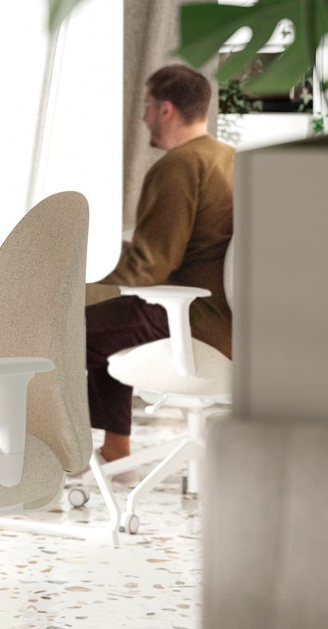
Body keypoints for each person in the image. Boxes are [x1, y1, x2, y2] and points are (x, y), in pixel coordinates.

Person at [86, 63, 234, 464]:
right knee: (103, 325)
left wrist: (86, 273)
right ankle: (116, 449)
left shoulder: (179, 164)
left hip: (188, 316)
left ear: (166, 109)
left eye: (147, 105)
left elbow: (151, 267)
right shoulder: (228, 158)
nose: (143, 115)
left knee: (65, 331)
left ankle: (48, 453)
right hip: (225, 319)